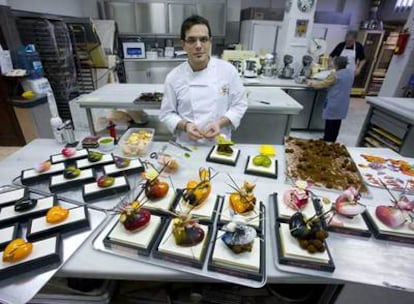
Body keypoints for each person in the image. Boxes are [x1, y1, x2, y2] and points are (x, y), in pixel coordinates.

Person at [159, 15, 247, 144]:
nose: (198, 45)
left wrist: (219, 123)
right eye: (191, 40)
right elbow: (166, 114)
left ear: (210, 42)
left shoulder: (228, 71)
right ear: (183, 44)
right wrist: (186, 125)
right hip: (186, 145)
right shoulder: (174, 77)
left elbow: (239, 104)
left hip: (219, 144)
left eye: (203, 39)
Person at [307, 56, 354, 142]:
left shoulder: (335, 75)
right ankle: (332, 140)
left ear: (336, 64)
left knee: (330, 122)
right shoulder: (350, 73)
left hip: (334, 101)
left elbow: (323, 84)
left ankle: (327, 140)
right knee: (337, 122)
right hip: (344, 102)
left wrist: (311, 83)